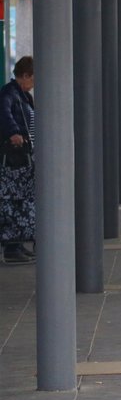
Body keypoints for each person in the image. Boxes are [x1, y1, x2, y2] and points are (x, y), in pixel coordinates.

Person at [0, 56, 35, 264]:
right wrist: (14, 132)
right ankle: (12, 247)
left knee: (21, 200)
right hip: (12, 158)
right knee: (13, 200)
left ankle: (18, 243)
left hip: (22, 157)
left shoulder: (22, 94)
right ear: (25, 75)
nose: (34, 83)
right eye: (33, 78)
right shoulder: (9, 93)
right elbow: (3, 113)